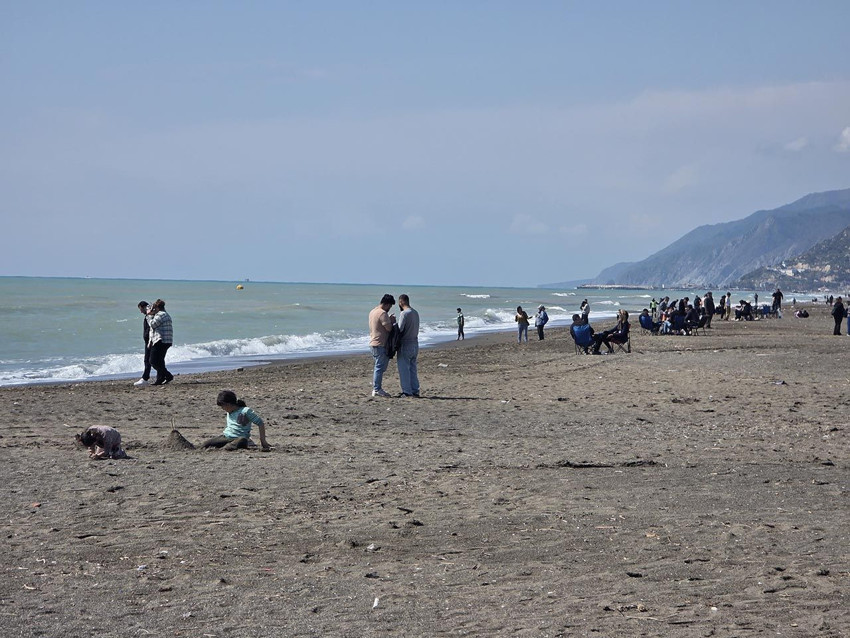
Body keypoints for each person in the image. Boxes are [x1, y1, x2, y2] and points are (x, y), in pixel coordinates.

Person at [202, 390, 270, 451]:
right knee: (206, 444)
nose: (222, 408)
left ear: (228, 404)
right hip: (226, 437)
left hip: (239, 438)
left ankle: (227, 447)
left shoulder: (245, 411)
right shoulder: (229, 411)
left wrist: (263, 440)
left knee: (242, 440)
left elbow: (260, 423)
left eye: (223, 406)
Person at [368, 294, 396, 397]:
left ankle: (376, 388)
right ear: (387, 304)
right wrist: (392, 321)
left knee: (379, 367)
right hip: (380, 343)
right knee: (379, 367)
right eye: (390, 306)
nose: (389, 308)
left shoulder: (373, 311)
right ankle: (377, 389)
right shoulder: (382, 313)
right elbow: (388, 328)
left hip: (373, 342)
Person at [396, 294, 420, 397]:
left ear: (401, 302)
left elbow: (400, 329)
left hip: (406, 343)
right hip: (415, 343)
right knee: (413, 368)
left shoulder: (404, 314)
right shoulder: (415, 312)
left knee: (404, 369)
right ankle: (415, 390)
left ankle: (407, 391)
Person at [146, 299, 174, 385]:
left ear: (157, 307)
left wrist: (149, 315)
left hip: (160, 340)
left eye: (154, 308)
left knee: (153, 361)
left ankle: (168, 375)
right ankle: (160, 379)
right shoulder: (165, 314)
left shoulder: (160, 315)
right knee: (160, 361)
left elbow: (152, 324)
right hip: (167, 340)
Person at [134, 301, 153, 386]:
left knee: (148, 360)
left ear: (143, 307)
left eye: (140, 309)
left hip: (150, 340)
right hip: (149, 340)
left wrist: (149, 339)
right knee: (153, 360)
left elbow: (151, 327)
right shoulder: (148, 315)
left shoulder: (149, 315)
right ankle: (164, 375)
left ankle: (145, 378)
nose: (140, 311)